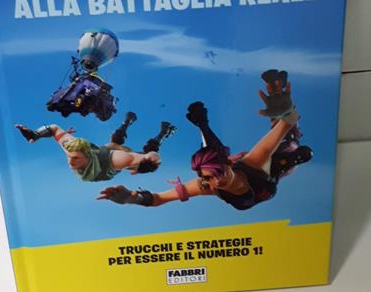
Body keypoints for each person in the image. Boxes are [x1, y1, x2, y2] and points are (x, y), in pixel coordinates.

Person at [97, 70, 312, 209]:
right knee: (285, 151)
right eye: (209, 178)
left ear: (228, 164)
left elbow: (287, 124)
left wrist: (285, 113)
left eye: (218, 173)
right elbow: (158, 198)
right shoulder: (207, 185)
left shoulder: (253, 162)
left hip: (271, 168)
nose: (217, 181)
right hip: (266, 182)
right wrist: (130, 198)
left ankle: (289, 156)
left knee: (289, 147)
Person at [15, 111, 176, 182]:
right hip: (101, 165)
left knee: (116, 146)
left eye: (73, 159)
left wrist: (36, 135)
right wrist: (35, 135)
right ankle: (157, 132)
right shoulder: (125, 159)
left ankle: (135, 126)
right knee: (119, 148)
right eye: (72, 158)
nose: (70, 161)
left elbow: (54, 130)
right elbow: (151, 158)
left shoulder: (77, 151)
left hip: (102, 161)